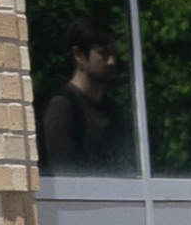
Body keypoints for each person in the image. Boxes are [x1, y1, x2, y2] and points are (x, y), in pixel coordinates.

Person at [36, 19, 131, 178]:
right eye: (103, 53)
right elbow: (62, 175)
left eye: (113, 54)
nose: (111, 61)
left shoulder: (113, 110)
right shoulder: (63, 106)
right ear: (78, 55)